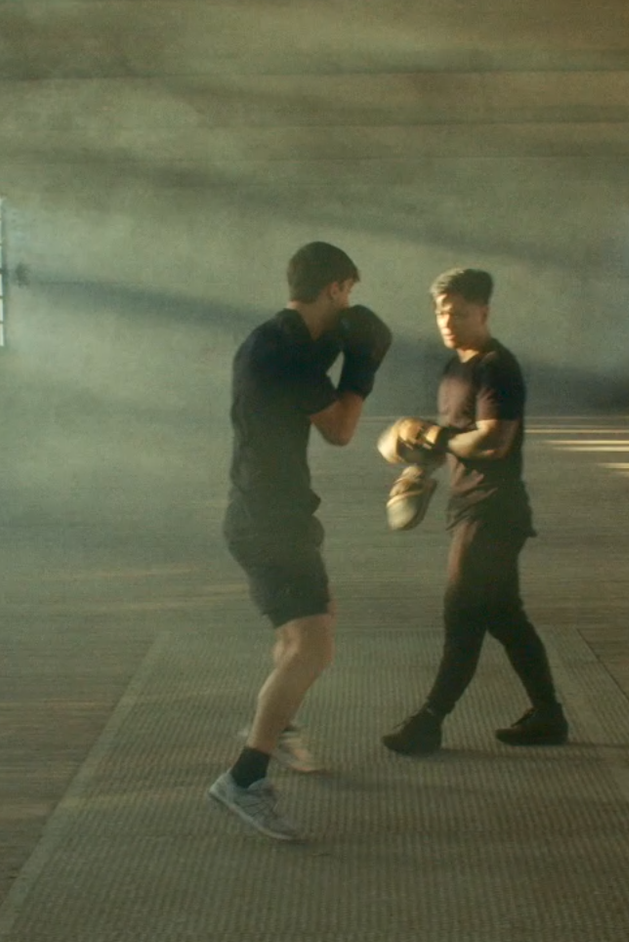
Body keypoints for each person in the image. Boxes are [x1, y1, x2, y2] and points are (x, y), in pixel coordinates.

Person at [208, 241, 391, 841]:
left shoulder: (279, 337)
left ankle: (277, 728)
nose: (351, 304)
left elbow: (310, 365)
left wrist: (341, 347)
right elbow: (340, 429)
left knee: (305, 629)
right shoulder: (284, 353)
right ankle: (244, 778)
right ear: (336, 288)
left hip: (264, 511)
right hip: (270, 520)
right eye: (350, 293)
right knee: (314, 648)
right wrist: (362, 368)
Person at [378, 268, 566, 756]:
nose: (447, 320)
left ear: (484, 311)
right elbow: (454, 438)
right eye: (441, 311)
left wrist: (431, 434)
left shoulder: (496, 366)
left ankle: (429, 721)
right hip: (468, 505)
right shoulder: (454, 368)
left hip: (494, 511)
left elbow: (494, 441)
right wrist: (419, 467)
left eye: (459, 312)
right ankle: (549, 716)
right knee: (504, 615)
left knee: (462, 612)